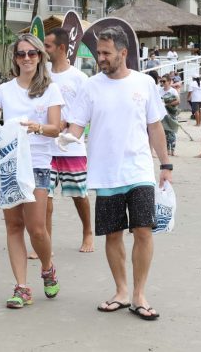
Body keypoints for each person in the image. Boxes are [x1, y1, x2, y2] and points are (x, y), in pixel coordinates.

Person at [59, 26, 171, 320]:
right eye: (99, 53)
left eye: (107, 53)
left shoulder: (144, 83)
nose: (101, 58)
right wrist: (67, 136)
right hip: (106, 173)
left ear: (123, 53)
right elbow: (76, 125)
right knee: (113, 234)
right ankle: (121, 292)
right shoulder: (90, 86)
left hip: (140, 170)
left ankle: (139, 295)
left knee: (144, 231)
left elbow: (155, 126)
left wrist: (166, 164)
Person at [0, 33, 63, 309]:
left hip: (37, 163)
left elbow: (55, 128)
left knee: (37, 229)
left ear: (40, 56)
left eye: (31, 53)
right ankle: (21, 287)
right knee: (14, 226)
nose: (26, 58)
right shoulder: (4, 89)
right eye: (21, 54)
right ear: (14, 59)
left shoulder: (51, 89)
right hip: (9, 165)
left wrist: (34, 127)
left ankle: (47, 267)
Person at [41, 28, 94, 256]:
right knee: (45, 197)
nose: (44, 50)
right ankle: (45, 242)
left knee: (78, 195)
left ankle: (88, 232)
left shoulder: (80, 78)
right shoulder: (41, 75)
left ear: (61, 48)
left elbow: (87, 111)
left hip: (72, 146)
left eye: (48, 46)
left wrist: (67, 123)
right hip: (45, 146)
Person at [159, 74, 180, 156]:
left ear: (169, 82)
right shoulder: (160, 90)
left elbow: (178, 101)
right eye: (161, 81)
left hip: (171, 113)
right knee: (165, 131)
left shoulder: (173, 91)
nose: (162, 83)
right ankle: (167, 149)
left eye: (164, 81)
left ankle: (173, 149)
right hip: (162, 114)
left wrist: (167, 104)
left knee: (172, 130)